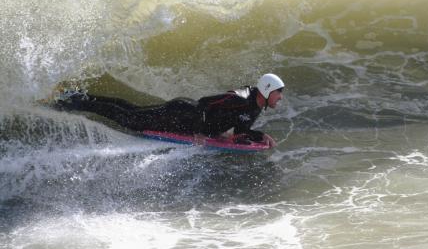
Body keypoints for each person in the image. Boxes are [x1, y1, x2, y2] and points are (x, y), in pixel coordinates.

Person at [53, 74, 285, 148]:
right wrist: (199, 133)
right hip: (181, 113)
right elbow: (204, 103)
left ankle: (79, 97)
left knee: (132, 112)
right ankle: (75, 100)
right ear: (266, 89)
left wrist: (259, 136)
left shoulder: (256, 105)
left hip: (184, 121)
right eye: (278, 92)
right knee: (130, 118)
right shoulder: (240, 97)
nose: (280, 97)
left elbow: (241, 128)